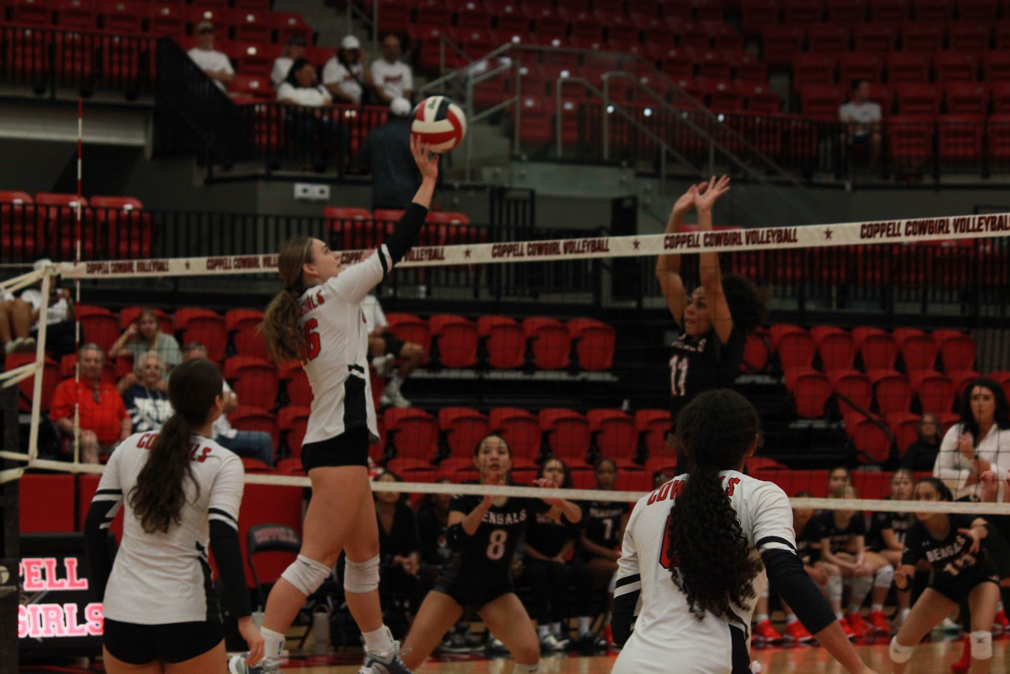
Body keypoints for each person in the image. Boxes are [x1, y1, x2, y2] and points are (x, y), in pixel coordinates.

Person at [229, 135, 438, 674]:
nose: (334, 252)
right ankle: (263, 654)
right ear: (311, 270)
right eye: (324, 250)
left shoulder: (305, 306)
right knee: (315, 561)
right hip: (337, 440)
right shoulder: (339, 290)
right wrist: (428, 183)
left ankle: (382, 654)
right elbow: (399, 243)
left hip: (336, 439)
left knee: (364, 559)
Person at [611, 389, 878, 674]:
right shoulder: (761, 495)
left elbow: (620, 626)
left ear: (685, 445)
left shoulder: (644, 506)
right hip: (713, 662)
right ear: (752, 445)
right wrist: (858, 668)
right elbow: (788, 577)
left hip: (632, 664)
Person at [83, 358, 263, 673]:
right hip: (187, 612)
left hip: (123, 613)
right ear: (217, 404)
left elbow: (93, 527)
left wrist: (105, 598)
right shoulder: (224, 461)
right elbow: (222, 537)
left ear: (172, 399)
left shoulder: (129, 446)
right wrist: (244, 618)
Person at [397, 435, 583, 671]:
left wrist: (561, 502)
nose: (494, 456)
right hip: (456, 584)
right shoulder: (464, 493)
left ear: (511, 463)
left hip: (496, 588)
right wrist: (484, 505)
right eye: (486, 451)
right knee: (409, 657)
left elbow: (577, 520)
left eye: (501, 452)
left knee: (530, 654)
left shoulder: (522, 495)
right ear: (476, 461)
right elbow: (455, 540)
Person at [655, 177, 767, 447]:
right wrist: (676, 215)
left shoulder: (726, 338)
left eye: (701, 304)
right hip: (687, 439)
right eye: (691, 302)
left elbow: (710, 280)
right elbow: (666, 271)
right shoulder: (688, 327)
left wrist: (704, 214)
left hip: (717, 442)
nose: (691, 310)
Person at [889, 478, 998, 674]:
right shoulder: (915, 533)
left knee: (981, 638)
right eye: (917, 498)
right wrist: (902, 582)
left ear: (943, 499)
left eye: (928, 497)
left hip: (980, 579)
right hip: (946, 585)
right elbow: (907, 577)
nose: (921, 502)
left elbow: (988, 527)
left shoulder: (957, 514)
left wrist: (976, 533)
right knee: (899, 646)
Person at [520, 458, 593, 653]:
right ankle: (544, 631)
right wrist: (545, 559)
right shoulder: (531, 500)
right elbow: (522, 539)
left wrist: (560, 556)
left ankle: (578, 630)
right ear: (541, 473)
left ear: (565, 476)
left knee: (580, 572)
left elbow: (574, 533)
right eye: (549, 469)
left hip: (561, 558)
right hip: (535, 558)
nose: (554, 474)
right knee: (539, 573)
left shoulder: (572, 501)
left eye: (559, 471)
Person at [811, 485, 894, 637]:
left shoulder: (857, 517)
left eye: (852, 504)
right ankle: (838, 617)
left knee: (867, 569)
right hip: (822, 560)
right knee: (834, 570)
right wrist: (850, 565)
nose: (848, 508)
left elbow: (861, 549)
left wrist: (859, 563)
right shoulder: (825, 518)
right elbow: (826, 554)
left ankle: (853, 612)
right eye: (844, 503)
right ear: (836, 503)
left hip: (843, 558)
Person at [181, 343, 275, 468]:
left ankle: (265, 481)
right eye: (195, 361)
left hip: (225, 435)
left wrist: (209, 402)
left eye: (202, 360)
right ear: (184, 361)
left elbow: (233, 403)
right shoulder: (180, 380)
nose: (200, 365)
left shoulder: (214, 376)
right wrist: (217, 400)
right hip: (199, 437)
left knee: (264, 440)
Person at [416, 479, 481, 654]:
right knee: (428, 575)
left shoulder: (465, 517)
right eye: (442, 490)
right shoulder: (424, 518)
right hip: (430, 566)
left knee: (468, 575)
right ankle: (445, 632)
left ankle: (461, 630)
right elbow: (421, 550)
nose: (447, 494)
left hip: (454, 566)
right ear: (433, 497)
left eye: (451, 490)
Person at [578, 458, 630, 651]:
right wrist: (612, 555)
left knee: (627, 569)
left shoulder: (621, 500)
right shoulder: (587, 498)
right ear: (595, 475)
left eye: (610, 472)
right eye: (602, 472)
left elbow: (624, 534)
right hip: (589, 557)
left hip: (612, 557)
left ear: (616, 475)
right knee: (621, 569)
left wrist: (623, 554)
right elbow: (582, 540)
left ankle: (612, 625)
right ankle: (613, 626)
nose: (606, 476)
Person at [50, 344, 131, 464]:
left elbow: (125, 417)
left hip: (113, 443)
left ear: (102, 365)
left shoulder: (111, 389)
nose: (92, 364)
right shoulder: (66, 387)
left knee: (131, 445)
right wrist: (80, 432)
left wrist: (126, 434)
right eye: (88, 360)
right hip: (78, 441)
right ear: (79, 363)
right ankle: (93, 482)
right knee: (89, 441)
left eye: (96, 361)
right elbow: (59, 419)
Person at [373, 471, 424, 636]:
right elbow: (363, 550)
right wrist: (395, 560)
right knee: (375, 574)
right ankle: (376, 631)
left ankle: (416, 630)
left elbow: (413, 545)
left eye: (394, 486)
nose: (390, 490)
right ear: (374, 489)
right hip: (366, 566)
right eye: (385, 485)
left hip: (395, 568)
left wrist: (413, 560)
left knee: (419, 574)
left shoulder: (406, 512)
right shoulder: (365, 511)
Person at [864, 468, 916, 629]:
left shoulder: (917, 508)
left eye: (905, 483)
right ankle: (904, 611)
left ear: (912, 486)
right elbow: (891, 543)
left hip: (905, 551)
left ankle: (938, 614)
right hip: (881, 552)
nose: (901, 487)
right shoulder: (884, 508)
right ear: (890, 486)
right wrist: (914, 550)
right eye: (897, 483)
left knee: (934, 561)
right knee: (906, 558)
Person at [358, 98, 422, 211]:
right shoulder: (414, 138)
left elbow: (362, 163)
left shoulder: (375, 134)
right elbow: (422, 169)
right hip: (408, 196)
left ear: (389, 113)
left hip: (381, 195)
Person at [362, 291, 424, 408]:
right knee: (379, 344)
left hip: (379, 337)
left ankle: (393, 387)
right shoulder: (345, 300)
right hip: (359, 340)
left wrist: (378, 331)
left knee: (417, 352)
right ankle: (378, 393)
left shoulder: (371, 300)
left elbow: (384, 325)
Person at [109, 308, 182, 393]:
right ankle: (112, 403)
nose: (147, 326)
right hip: (144, 379)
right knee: (128, 378)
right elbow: (112, 353)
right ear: (139, 327)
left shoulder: (169, 340)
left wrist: (146, 377)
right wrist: (127, 334)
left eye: (151, 322)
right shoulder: (138, 343)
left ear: (157, 325)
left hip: (165, 381)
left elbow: (164, 368)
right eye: (143, 323)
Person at [121, 351, 173, 434]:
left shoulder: (165, 395)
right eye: (148, 367)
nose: (152, 371)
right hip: (142, 438)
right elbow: (132, 418)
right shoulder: (131, 392)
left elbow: (172, 419)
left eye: (156, 368)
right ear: (140, 370)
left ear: (161, 372)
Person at [838, 79, 882, 171]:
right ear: (856, 91)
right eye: (864, 89)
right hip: (851, 135)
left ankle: (872, 167)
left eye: (868, 89)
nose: (868, 92)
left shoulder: (874, 107)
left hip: (868, 134)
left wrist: (855, 122)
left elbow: (877, 126)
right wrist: (867, 124)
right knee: (842, 137)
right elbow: (844, 127)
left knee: (877, 138)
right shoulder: (844, 108)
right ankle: (845, 166)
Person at [323, 35, 374, 105]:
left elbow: (369, 83)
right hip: (342, 100)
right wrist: (350, 99)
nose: (351, 54)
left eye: (354, 51)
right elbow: (331, 86)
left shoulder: (358, 63)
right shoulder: (333, 64)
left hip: (359, 100)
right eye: (349, 51)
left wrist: (363, 63)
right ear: (343, 51)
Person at [187, 21, 234, 93]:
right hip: (196, 92)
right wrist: (219, 75)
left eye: (209, 33)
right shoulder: (190, 55)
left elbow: (229, 78)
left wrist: (208, 73)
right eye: (203, 33)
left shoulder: (221, 57)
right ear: (197, 36)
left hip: (217, 94)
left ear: (213, 36)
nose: (206, 36)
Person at [370, 35, 413, 104]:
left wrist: (402, 103)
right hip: (383, 105)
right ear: (383, 48)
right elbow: (380, 93)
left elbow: (407, 92)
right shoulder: (376, 65)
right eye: (389, 47)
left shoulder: (405, 68)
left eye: (395, 47)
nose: (392, 51)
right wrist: (396, 103)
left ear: (399, 49)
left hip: (402, 105)